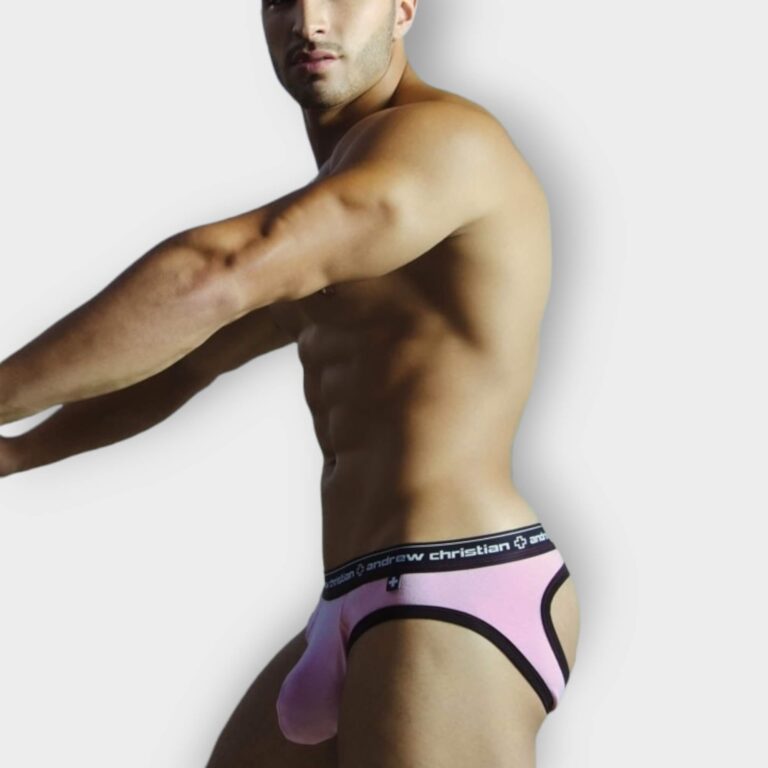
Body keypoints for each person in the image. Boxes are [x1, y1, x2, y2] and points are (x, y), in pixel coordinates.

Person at [0, 0, 581, 765]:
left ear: (404, 9)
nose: (309, 20)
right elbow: (189, 359)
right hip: (353, 595)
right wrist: (16, 452)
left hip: (453, 586)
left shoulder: (449, 145)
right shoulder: (341, 208)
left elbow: (222, 271)